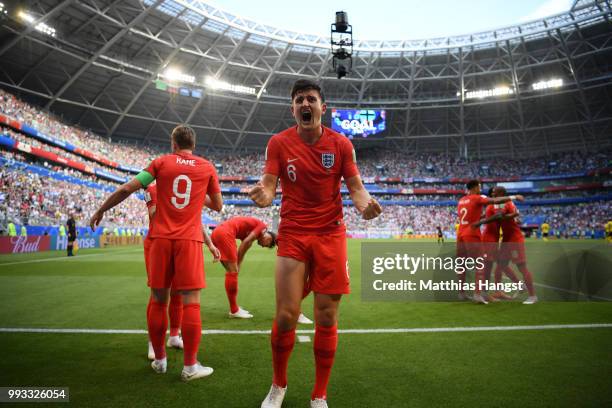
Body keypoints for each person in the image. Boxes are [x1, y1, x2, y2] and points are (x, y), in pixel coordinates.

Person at [249, 79, 382, 408]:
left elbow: (355, 187)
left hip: (330, 234)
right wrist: (264, 196)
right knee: (285, 316)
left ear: (324, 107)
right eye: (299, 100)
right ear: (293, 108)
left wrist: (365, 205)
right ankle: (278, 385)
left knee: (326, 317)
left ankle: (319, 394)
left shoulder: (341, 144)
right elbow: (268, 184)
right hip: (293, 233)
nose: (305, 104)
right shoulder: (279, 143)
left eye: (311, 99)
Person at [89, 125, 222, 381]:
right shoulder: (206, 167)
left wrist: (101, 209)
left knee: (159, 299)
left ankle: (160, 360)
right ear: (193, 144)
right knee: (190, 300)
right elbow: (217, 205)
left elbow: (127, 188)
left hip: (160, 238)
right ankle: (190, 367)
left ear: (173, 143)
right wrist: (199, 194)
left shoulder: (161, 163)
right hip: (189, 240)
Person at [143, 182, 221, 360]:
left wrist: (209, 243)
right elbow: (153, 215)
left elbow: (195, 219)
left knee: (178, 290)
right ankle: (154, 343)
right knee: (159, 293)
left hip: (181, 243)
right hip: (160, 242)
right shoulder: (154, 189)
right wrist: (178, 216)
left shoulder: (185, 190)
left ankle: (174, 336)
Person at [456, 180, 524, 304]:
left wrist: (481, 218)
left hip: (461, 232)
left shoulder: (461, 200)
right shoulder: (478, 198)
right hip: (474, 233)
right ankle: (480, 294)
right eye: (479, 187)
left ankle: (462, 293)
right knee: (481, 264)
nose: (480, 189)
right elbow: (495, 203)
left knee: (462, 264)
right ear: (475, 187)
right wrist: (514, 197)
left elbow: (470, 215)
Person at [211, 216, 276, 318]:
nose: (263, 246)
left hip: (217, 232)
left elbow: (243, 250)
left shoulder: (252, 235)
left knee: (231, 272)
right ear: (269, 238)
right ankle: (234, 310)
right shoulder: (262, 227)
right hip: (225, 233)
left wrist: (238, 267)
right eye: (267, 245)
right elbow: (245, 243)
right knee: (232, 273)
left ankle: (234, 308)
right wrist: (236, 268)